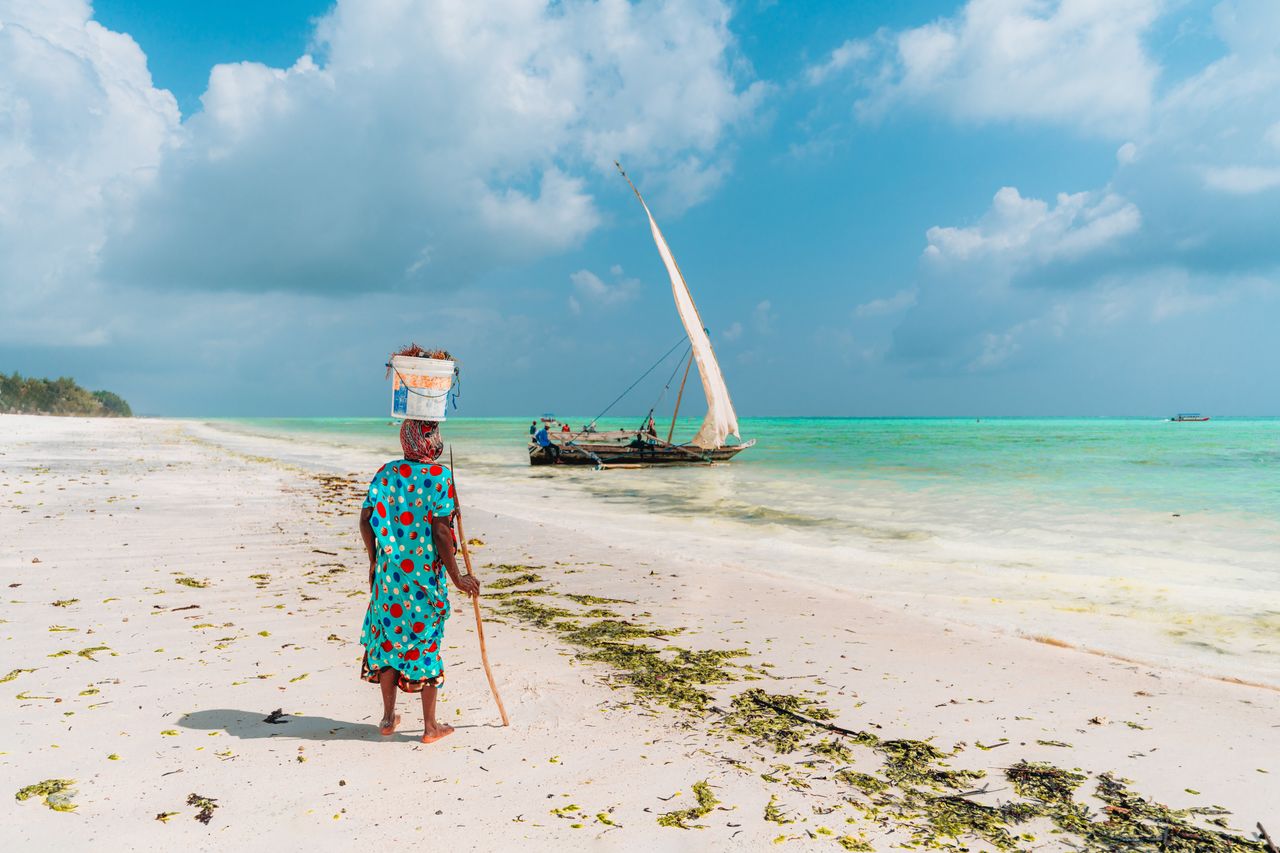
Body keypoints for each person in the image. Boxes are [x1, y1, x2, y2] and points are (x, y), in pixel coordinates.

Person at [358, 418, 480, 744]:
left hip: (388, 579)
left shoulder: (387, 472)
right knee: (426, 644)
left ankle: (387, 719)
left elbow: (367, 519)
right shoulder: (440, 477)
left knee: (388, 641)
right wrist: (458, 578)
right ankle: (430, 727)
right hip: (425, 579)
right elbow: (442, 532)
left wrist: (374, 560)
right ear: (429, 441)